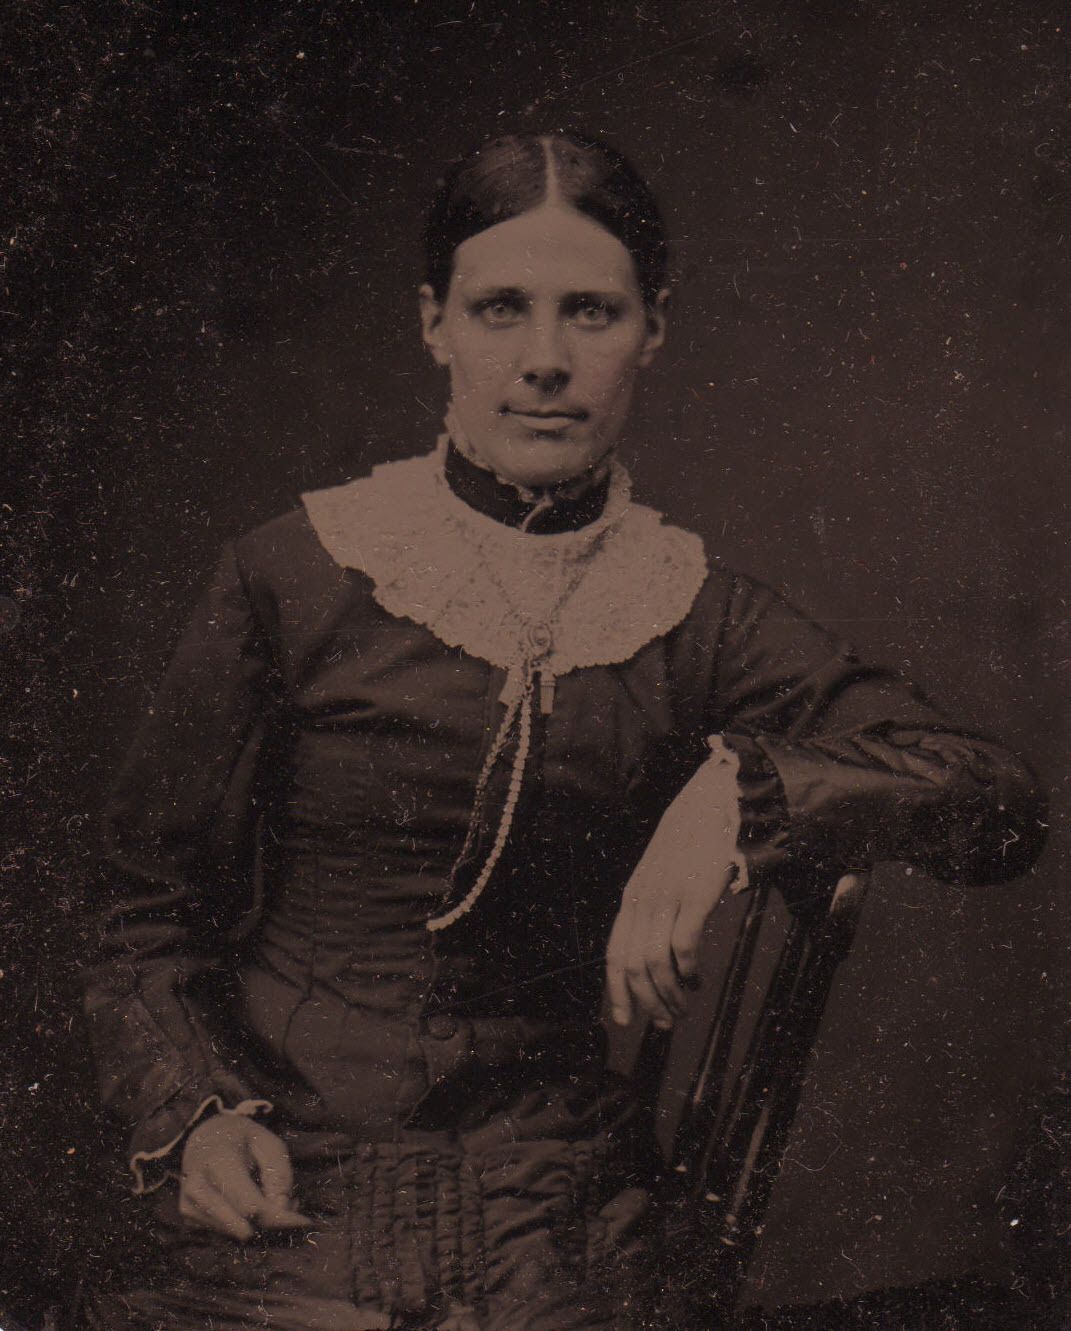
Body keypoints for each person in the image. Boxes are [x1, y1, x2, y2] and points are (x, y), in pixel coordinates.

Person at [81, 131, 1046, 1331]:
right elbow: (141, 906)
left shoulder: (693, 614)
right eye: (501, 309)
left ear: (653, 331)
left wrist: (745, 792)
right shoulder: (294, 574)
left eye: (591, 311)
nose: (545, 360)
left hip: (552, 1212)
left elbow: (997, 802)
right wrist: (197, 1113)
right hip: (288, 1180)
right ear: (435, 323)